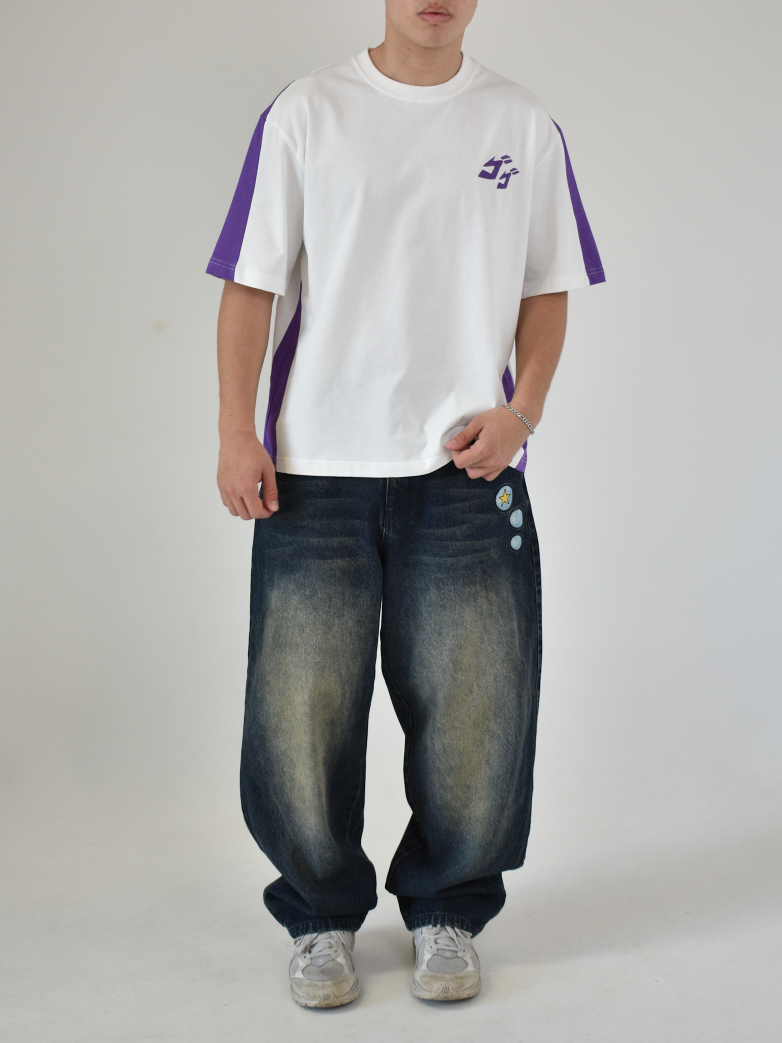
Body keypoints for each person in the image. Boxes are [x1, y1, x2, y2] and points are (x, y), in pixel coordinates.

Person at [208, 0, 604, 1009]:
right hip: (313, 468)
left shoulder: (520, 124)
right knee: (299, 712)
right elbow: (251, 283)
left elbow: (548, 285)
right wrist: (236, 431)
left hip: (467, 471)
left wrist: (522, 411)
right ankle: (318, 916)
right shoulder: (308, 112)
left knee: (478, 706)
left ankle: (447, 910)